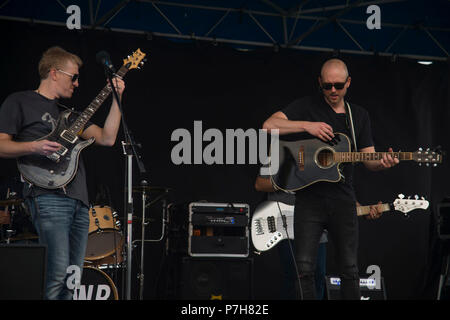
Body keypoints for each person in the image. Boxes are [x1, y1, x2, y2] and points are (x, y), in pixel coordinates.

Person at [262, 58, 398, 300]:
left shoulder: (358, 116)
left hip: (343, 199)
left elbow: (368, 159)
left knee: (349, 269)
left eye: (338, 85)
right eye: (327, 86)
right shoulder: (307, 106)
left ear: (348, 83)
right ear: (320, 83)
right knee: (303, 269)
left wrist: (383, 163)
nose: (333, 91)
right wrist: (308, 126)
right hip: (309, 200)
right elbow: (268, 125)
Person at [0, 46, 125, 300]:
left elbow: (108, 138)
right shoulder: (19, 101)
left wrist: (117, 99)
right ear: (54, 73)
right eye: (73, 77)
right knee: (56, 273)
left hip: (79, 200)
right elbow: (1, 143)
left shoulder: (71, 116)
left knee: (72, 276)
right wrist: (34, 146)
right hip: (47, 195)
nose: (77, 84)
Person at [254, 174, 383, 300]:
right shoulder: (279, 153)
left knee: (318, 277)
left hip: (319, 222)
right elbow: (260, 184)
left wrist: (363, 210)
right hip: (285, 222)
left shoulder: (330, 156)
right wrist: (296, 180)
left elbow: (338, 195)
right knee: (295, 277)